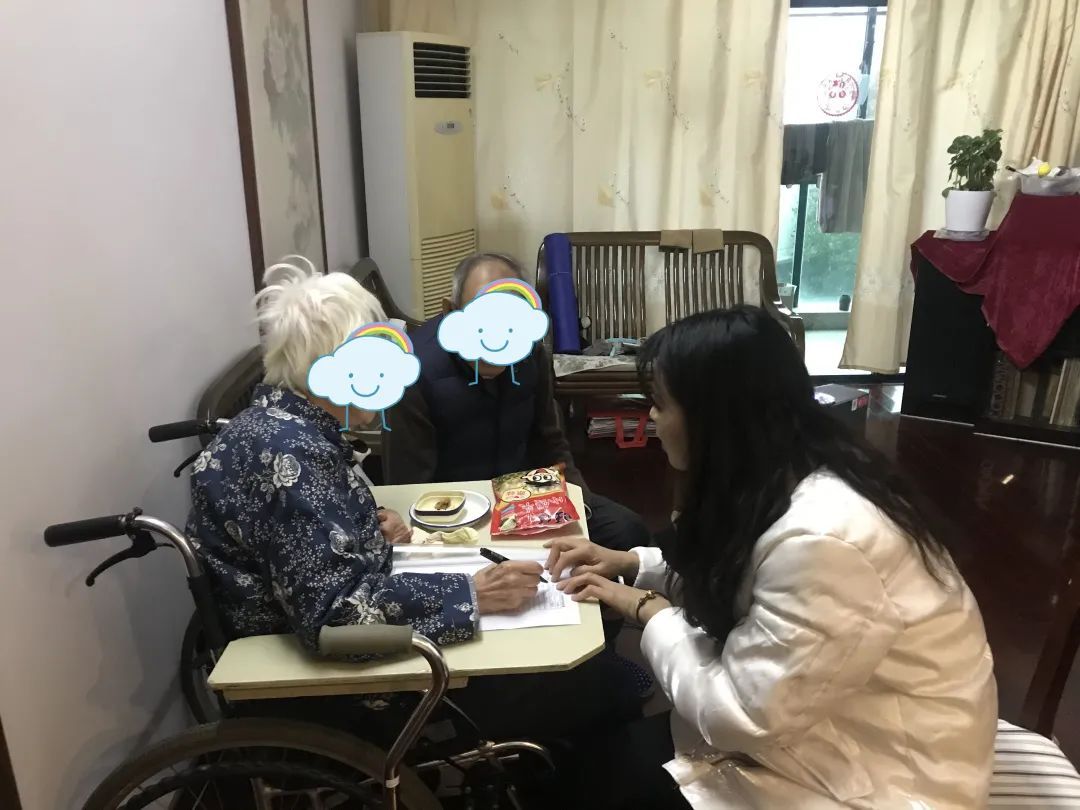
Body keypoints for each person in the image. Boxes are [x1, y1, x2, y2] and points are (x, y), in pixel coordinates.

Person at [545, 306, 998, 809]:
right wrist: (633, 566)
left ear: (715, 417)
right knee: (593, 765)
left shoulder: (825, 541)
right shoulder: (788, 470)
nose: (651, 418)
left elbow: (741, 716)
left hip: (889, 777)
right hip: (821, 725)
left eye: (660, 403)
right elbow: (745, 584)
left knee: (592, 779)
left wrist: (648, 609)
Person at [187, 259, 638, 746]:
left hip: (336, 612)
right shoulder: (293, 455)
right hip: (328, 676)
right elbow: (336, 618)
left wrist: (368, 525)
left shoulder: (280, 425)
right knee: (596, 685)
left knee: (591, 637)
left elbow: (305, 541)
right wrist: (473, 593)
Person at [385, 252, 651, 555]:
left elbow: (550, 441)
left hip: (527, 500)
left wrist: (581, 511)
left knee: (627, 531)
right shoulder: (410, 373)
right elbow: (409, 489)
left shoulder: (531, 351)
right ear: (450, 312)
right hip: (452, 518)